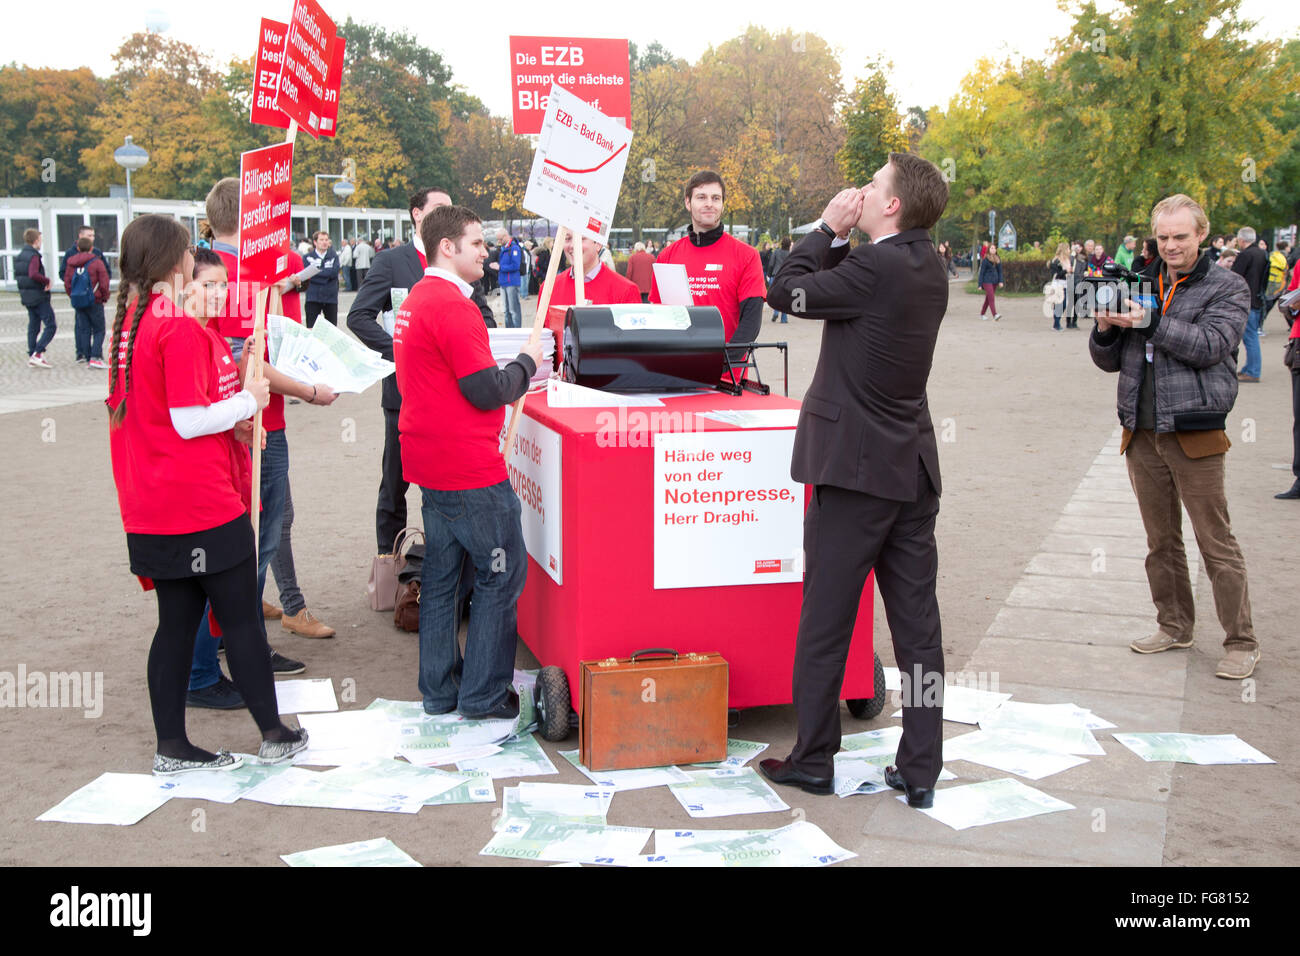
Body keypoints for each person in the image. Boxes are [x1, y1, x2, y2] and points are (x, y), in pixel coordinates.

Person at [760, 152, 950, 808]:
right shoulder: (927, 264)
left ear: (892, 205)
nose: (861, 192)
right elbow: (842, 289)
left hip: (856, 471)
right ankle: (922, 766)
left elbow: (786, 290)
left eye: (873, 186)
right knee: (918, 626)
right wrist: (842, 241)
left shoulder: (876, 264)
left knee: (825, 620)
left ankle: (814, 758)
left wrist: (823, 227)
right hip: (912, 466)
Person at [104, 215, 308, 771]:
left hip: (152, 503)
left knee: (175, 622)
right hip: (198, 501)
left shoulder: (136, 322)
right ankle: (274, 733)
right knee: (239, 617)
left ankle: (171, 744)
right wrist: (250, 402)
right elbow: (189, 420)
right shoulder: (178, 326)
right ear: (177, 264)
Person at [1088, 194, 1259, 680]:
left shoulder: (1227, 286)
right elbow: (1108, 360)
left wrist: (1152, 322)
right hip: (1141, 430)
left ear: (1201, 234)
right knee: (1160, 540)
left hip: (1195, 431)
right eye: (1162, 238)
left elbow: (1211, 346)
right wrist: (1104, 330)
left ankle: (1241, 641)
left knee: (1215, 541)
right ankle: (1174, 624)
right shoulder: (1141, 281)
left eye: (1180, 237)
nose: (1170, 246)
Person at [393, 205, 545, 718]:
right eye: (477, 243)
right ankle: (481, 695)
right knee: (501, 574)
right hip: (466, 467)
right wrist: (527, 365)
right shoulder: (452, 306)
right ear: (447, 247)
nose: (487, 251)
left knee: (441, 580)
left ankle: (440, 691)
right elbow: (485, 391)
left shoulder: (418, 299)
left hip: (430, 461)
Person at [202, 178, 341, 677]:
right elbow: (251, 362)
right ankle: (243, 642)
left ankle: (248, 620)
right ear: (251, 221)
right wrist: (309, 390)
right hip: (255, 424)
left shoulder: (216, 270)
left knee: (258, 528)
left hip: (234, 423)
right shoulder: (238, 276)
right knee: (258, 534)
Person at [347, 187, 495, 556]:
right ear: (417, 214)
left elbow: (484, 314)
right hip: (404, 391)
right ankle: (389, 559)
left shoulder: (460, 264)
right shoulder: (391, 261)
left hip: (453, 394)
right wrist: (400, 351)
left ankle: (444, 560)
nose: (451, 212)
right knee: (395, 480)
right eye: (441, 207)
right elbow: (359, 316)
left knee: (446, 484)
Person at [650, 170, 767, 379]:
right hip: (676, 374)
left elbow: (751, 321)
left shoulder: (747, 255)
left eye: (716, 198)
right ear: (688, 202)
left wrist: (722, 363)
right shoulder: (667, 256)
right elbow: (658, 318)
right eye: (701, 197)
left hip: (727, 378)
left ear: (722, 204)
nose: (709, 204)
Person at [547, 232, 641, 307]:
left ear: (598, 244)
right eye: (567, 239)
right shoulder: (548, 290)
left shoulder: (626, 291)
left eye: (581, 238)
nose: (572, 245)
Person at [63, 235, 111, 367]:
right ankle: (96, 356)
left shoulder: (70, 263)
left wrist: (73, 295)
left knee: (84, 330)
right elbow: (104, 282)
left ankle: (87, 355)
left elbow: (67, 283)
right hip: (95, 300)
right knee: (99, 329)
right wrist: (104, 297)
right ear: (92, 248)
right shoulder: (97, 262)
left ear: (78, 248)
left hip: (78, 300)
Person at [1230, 226, 1268, 382]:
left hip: (1246, 300)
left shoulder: (1245, 255)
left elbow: (1234, 276)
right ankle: (1250, 368)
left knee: (1250, 337)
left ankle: (1253, 371)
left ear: (1241, 240)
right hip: (1258, 297)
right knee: (1251, 336)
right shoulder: (1263, 254)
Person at [18, 229, 57, 368]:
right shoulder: (34, 256)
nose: (41, 243)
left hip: (27, 295)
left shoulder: (21, 254)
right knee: (51, 325)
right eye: (40, 240)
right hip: (38, 296)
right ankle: (38, 353)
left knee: (34, 325)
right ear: (35, 241)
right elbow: (33, 274)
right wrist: (47, 280)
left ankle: (32, 355)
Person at [303, 231, 341, 328]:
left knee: (332, 329)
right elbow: (308, 275)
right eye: (321, 240)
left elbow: (334, 273)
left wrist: (316, 272)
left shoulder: (334, 257)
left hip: (330, 298)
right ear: (315, 242)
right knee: (312, 328)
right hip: (313, 297)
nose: (324, 242)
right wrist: (326, 274)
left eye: (326, 240)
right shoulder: (307, 258)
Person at [490, 229, 524, 328]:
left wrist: (500, 267)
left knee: (513, 310)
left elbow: (516, 266)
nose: (499, 241)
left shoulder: (514, 248)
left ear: (505, 236)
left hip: (511, 282)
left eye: (500, 239)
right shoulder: (505, 248)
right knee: (506, 310)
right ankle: (509, 330)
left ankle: (517, 330)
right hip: (504, 282)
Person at [1048, 241, 1072, 332]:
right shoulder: (1056, 261)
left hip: (1065, 284)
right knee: (1059, 304)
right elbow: (1056, 275)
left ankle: (1056, 323)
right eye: (1068, 248)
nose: (1069, 250)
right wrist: (1066, 271)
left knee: (1064, 304)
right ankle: (1057, 324)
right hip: (1058, 284)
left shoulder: (1067, 260)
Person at [769, 238, 791, 322]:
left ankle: (775, 312)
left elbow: (771, 264)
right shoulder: (790, 254)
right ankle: (784, 318)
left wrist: (769, 274)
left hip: (775, 275)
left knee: (775, 296)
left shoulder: (776, 252)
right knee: (785, 297)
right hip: (786, 276)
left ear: (781, 244)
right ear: (789, 245)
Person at [978, 247, 1003, 320]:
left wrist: (1001, 281)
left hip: (995, 281)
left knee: (988, 299)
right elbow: (981, 273)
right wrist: (980, 284)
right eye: (991, 248)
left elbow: (1000, 271)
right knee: (991, 297)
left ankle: (982, 314)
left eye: (994, 248)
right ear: (989, 250)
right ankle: (995, 315)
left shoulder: (998, 259)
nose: (993, 250)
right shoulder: (985, 260)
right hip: (986, 281)